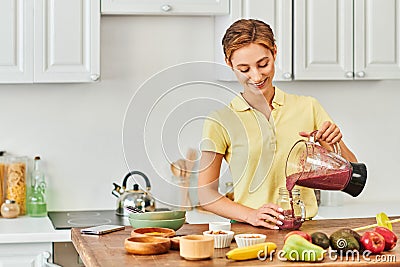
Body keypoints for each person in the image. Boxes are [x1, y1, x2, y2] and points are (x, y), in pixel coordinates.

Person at [198, 19, 357, 229]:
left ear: (274, 52)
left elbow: (352, 172)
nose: (256, 76)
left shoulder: (308, 107)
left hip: (303, 229)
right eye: (244, 69)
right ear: (229, 64)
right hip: (248, 231)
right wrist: (252, 215)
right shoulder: (220, 121)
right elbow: (205, 193)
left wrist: (332, 145)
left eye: (263, 64)